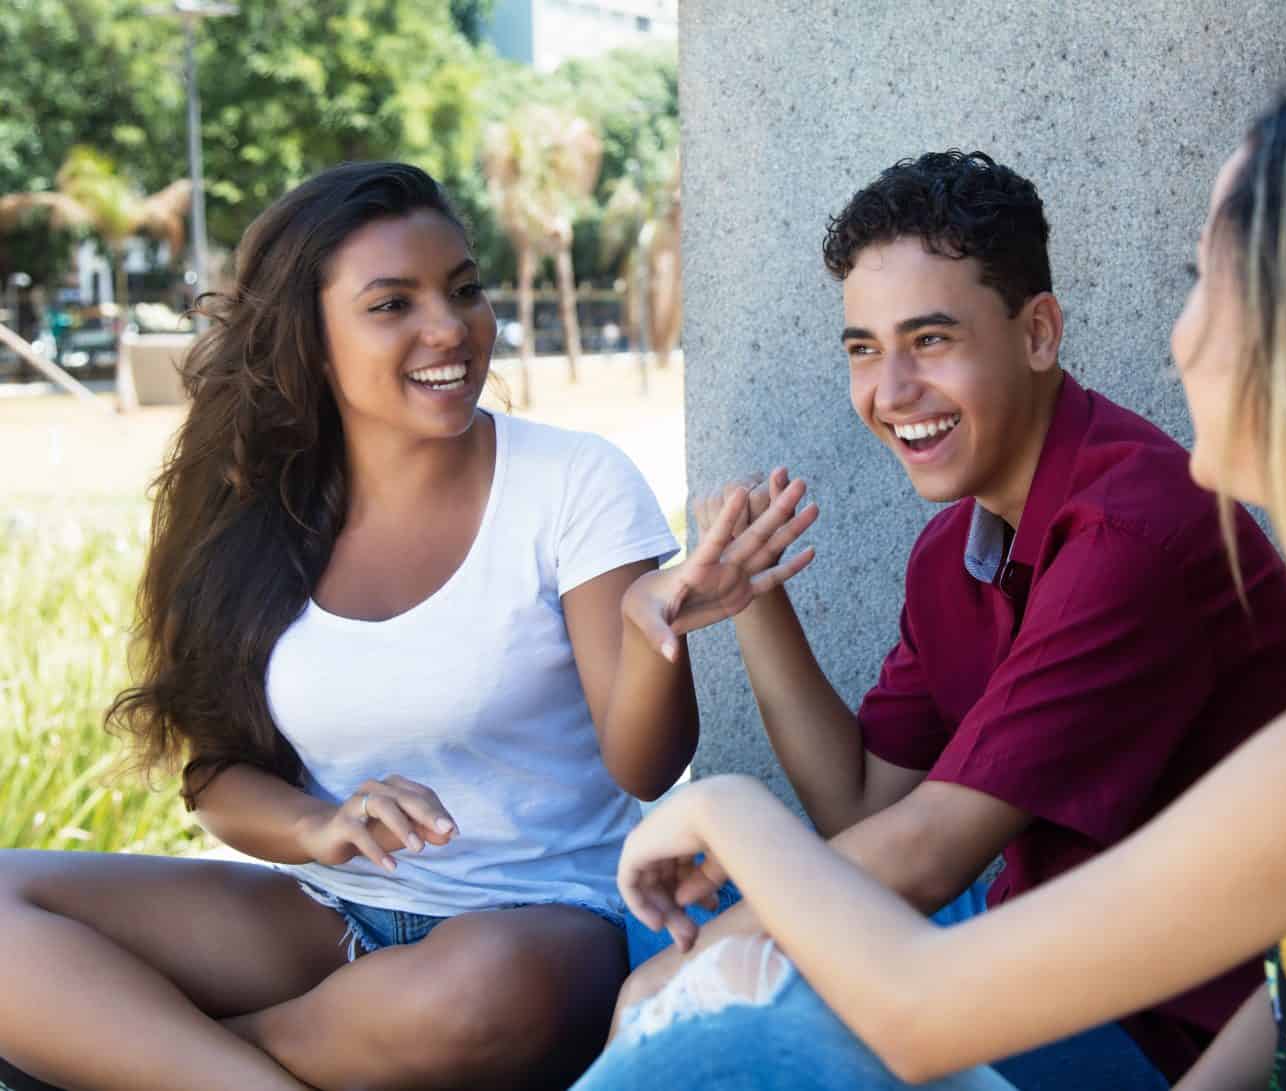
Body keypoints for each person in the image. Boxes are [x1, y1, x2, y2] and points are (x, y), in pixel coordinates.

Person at [574, 54, 1286, 1091]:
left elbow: (921, 935)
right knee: (667, 947)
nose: (1180, 333)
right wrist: (754, 595)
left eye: (1208, 283)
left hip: (1140, 1020)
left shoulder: (1171, 559)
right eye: (865, 349)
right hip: (1081, 962)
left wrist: (722, 813)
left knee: (714, 1013)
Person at [0, 162, 815, 1091]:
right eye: (393, 303)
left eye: (464, 290)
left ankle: (132, 1052)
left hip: (542, 929)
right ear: (306, 340)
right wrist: (320, 823)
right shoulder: (252, 513)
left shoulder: (572, 481)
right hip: (332, 914)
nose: (451, 327)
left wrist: (649, 631)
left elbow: (647, 767)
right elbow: (218, 775)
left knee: (483, 991)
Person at [615, 149, 1286, 1087]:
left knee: (707, 984)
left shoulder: (1132, 531)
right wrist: (755, 598)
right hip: (1036, 946)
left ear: (1038, 333)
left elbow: (925, 858)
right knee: (650, 925)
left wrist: (687, 973)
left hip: (1169, 1025)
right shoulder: (958, 550)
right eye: (864, 348)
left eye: (932, 339)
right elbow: (863, 809)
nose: (891, 390)